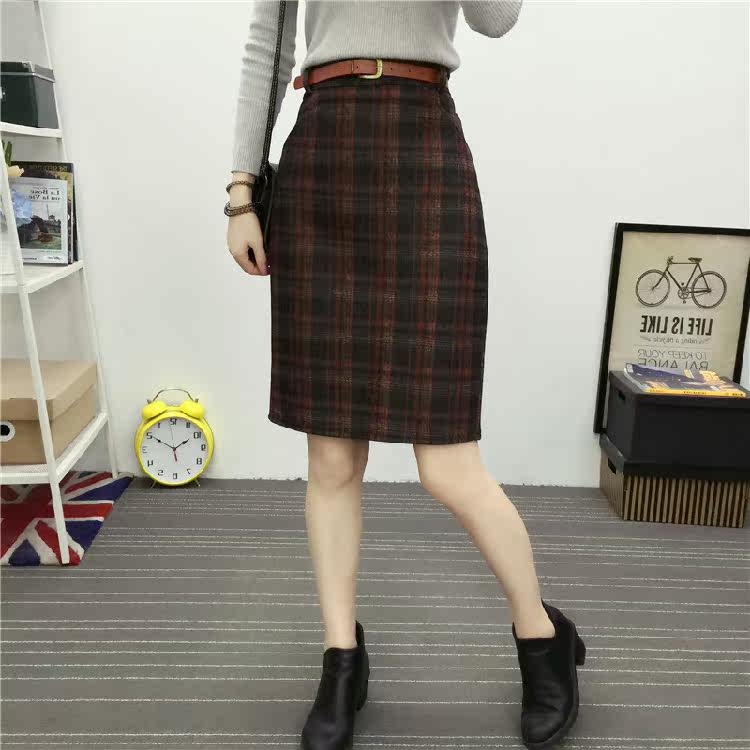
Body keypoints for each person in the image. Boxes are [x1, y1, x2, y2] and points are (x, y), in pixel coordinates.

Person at [226, 2, 586, 749]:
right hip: (323, 155)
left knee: (449, 465)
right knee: (331, 458)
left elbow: (495, 19)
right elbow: (267, 42)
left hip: (424, 152)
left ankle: (541, 635)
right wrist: (240, 193)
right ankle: (342, 660)